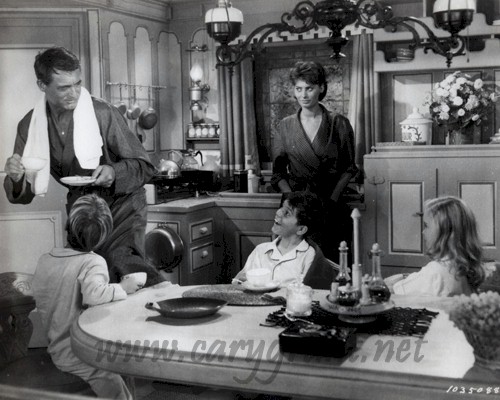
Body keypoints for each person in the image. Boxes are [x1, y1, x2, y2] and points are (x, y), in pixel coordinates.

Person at [3, 46, 161, 286]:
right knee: (84, 273)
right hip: (81, 210)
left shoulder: (102, 113)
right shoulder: (30, 126)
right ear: (42, 85)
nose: (74, 93)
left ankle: (163, 301)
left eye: (77, 84)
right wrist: (16, 178)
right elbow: (24, 193)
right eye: (64, 87)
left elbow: (144, 166)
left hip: (122, 206)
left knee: (123, 265)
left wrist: (113, 172)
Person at [33, 194, 142, 400]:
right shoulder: (92, 261)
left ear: (68, 226)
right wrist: (122, 287)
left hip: (57, 348)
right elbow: (93, 294)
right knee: (115, 381)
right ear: (103, 236)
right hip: (81, 353)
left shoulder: (46, 259)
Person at [271, 60, 358, 263]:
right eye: (299, 89)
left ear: (321, 88)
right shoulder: (285, 126)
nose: (303, 95)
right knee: (292, 263)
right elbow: (278, 174)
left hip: (330, 204)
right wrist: (292, 200)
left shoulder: (338, 123)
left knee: (330, 264)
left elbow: (349, 168)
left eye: (309, 88)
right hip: (295, 208)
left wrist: (331, 202)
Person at [385, 196, 485, 297]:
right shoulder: (461, 267)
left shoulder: (435, 272)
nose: (423, 232)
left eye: (426, 226)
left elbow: (392, 291)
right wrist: (404, 277)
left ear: (444, 232)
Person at [233, 191, 334, 289]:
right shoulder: (261, 250)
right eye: (282, 207)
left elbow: (306, 292)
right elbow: (239, 282)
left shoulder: (308, 255)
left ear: (301, 229)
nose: (278, 213)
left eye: (287, 213)